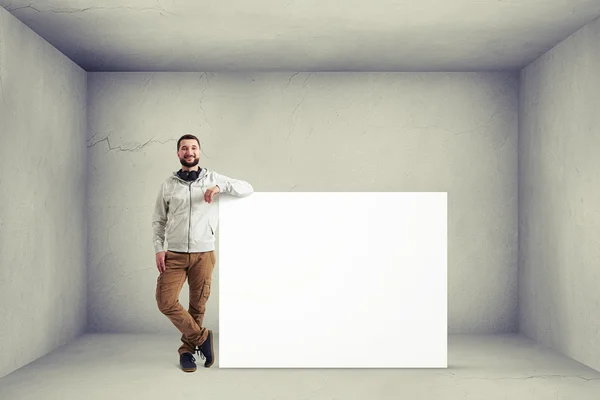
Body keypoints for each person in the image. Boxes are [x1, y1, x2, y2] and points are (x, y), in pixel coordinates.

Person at [152, 134, 253, 372]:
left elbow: (247, 188)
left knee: (197, 306)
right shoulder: (168, 184)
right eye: (184, 148)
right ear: (178, 153)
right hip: (174, 255)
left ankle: (187, 353)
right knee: (165, 301)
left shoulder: (213, 178)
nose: (189, 152)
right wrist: (159, 249)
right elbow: (158, 221)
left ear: (199, 151)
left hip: (203, 253)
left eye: (193, 148)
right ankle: (202, 338)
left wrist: (220, 187)